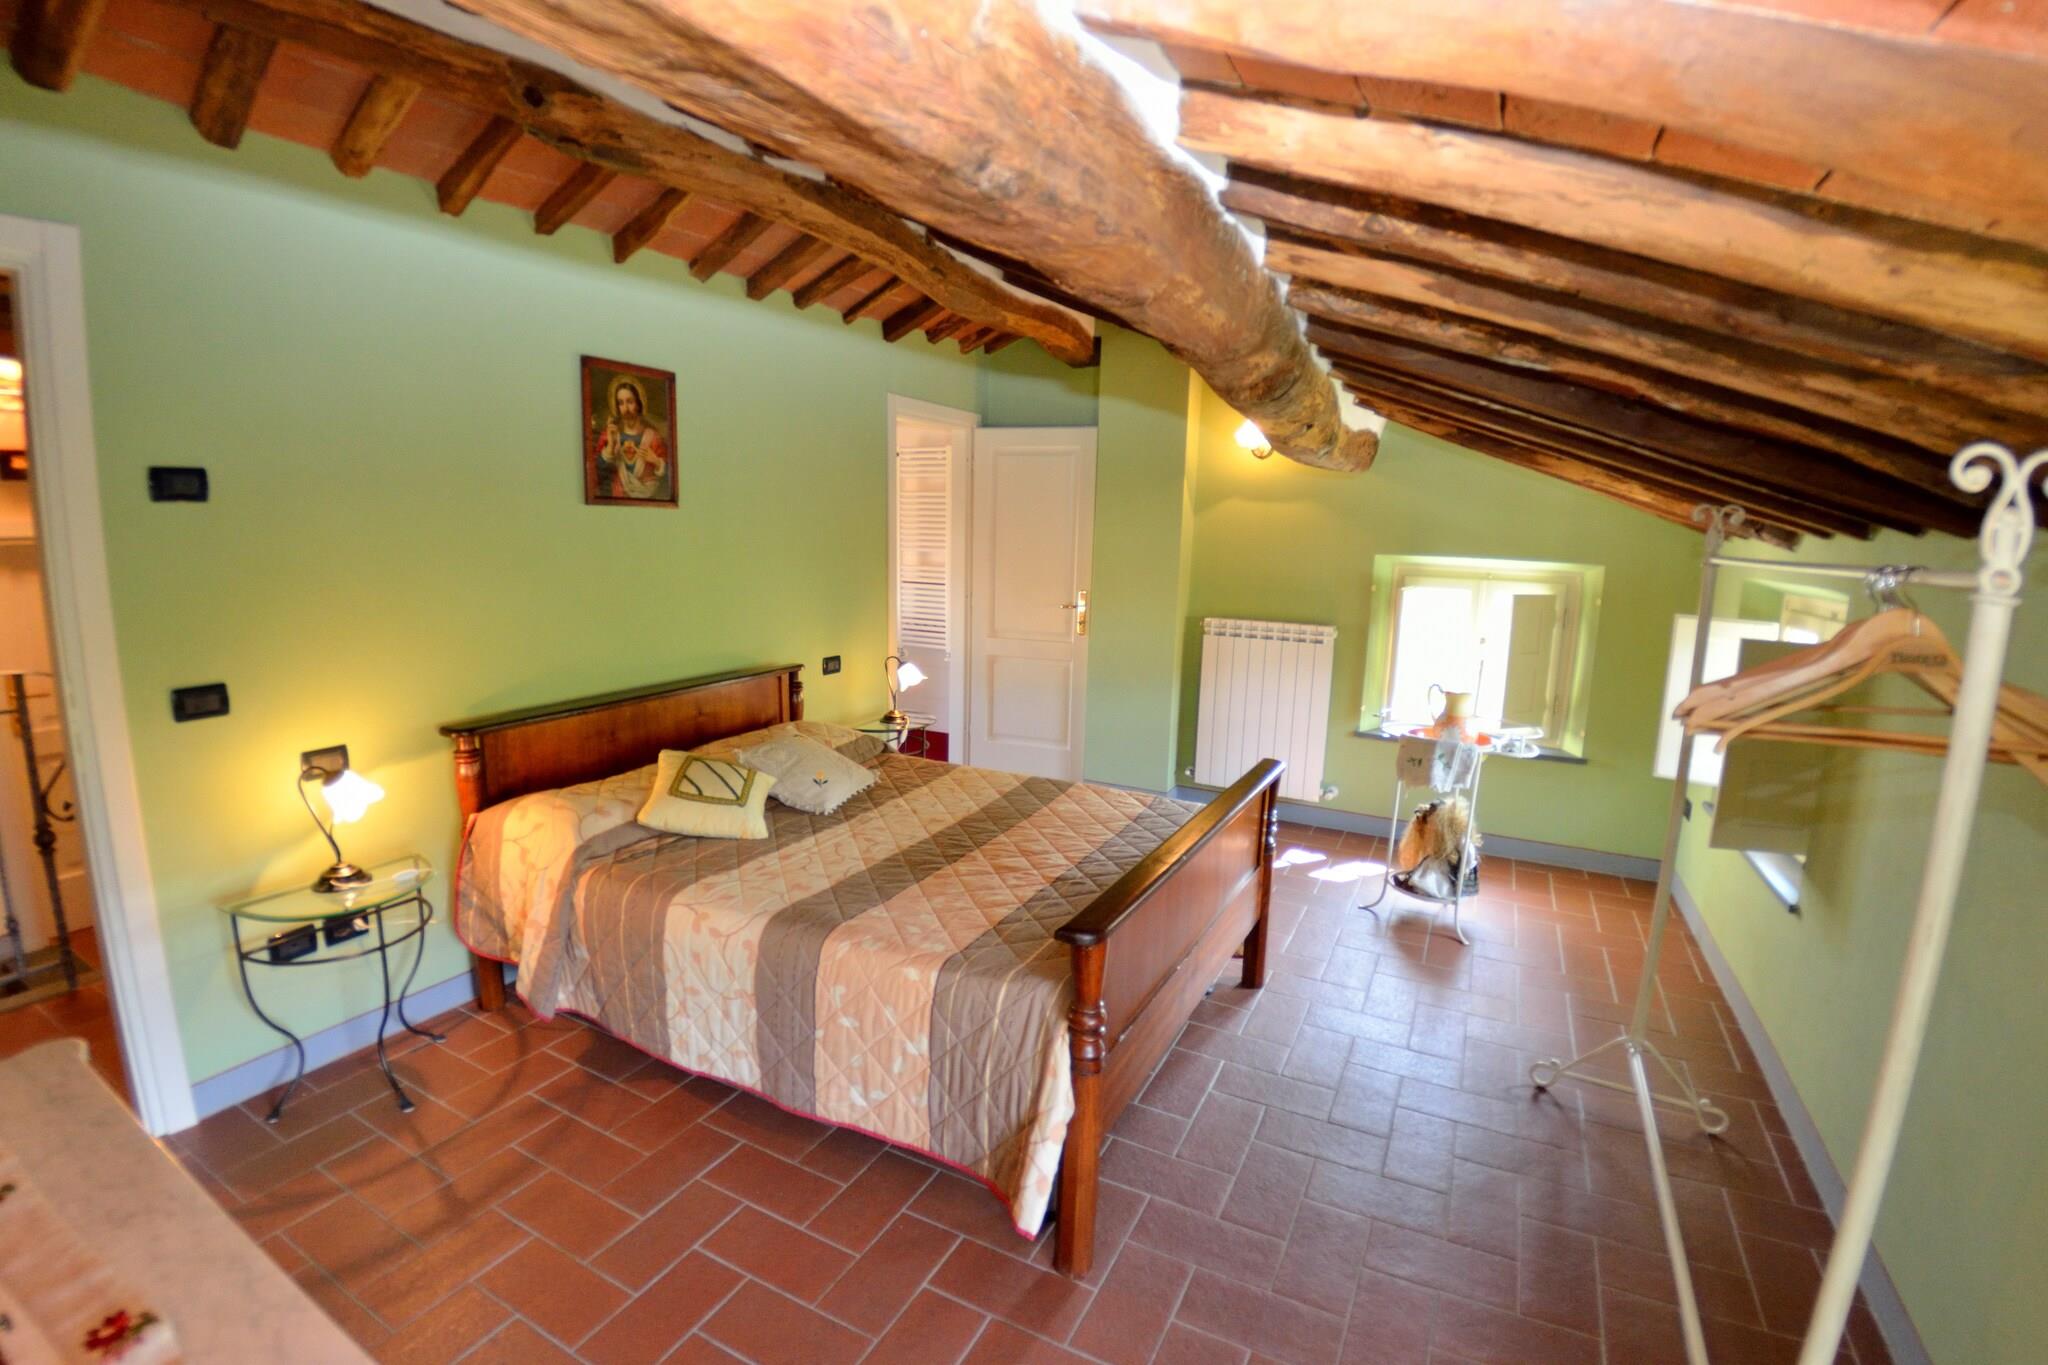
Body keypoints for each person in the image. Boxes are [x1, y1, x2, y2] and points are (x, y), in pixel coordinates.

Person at [593, 375, 669, 499]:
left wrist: (656, 461)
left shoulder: (654, 437)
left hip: (649, 497)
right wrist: (610, 447)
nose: (626, 408)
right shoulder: (609, 435)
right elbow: (596, 473)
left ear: (639, 403)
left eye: (630, 402)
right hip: (617, 498)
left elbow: (669, 479)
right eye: (621, 403)